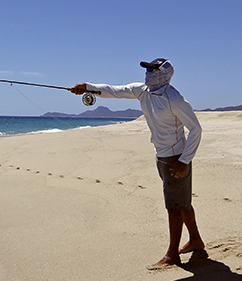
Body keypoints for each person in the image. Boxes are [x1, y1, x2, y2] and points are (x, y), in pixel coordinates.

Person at [69, 58, 205, 269]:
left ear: (164, 74)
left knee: (174, 206)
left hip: (176, 157)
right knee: (181, 201)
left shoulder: (174, 99)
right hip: (161, 154)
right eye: (147, 69)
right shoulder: (142, 91)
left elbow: (196, 129)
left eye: (152, 69)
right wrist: (87, 87)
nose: (148, 73)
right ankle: (195, 241)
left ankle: (172, 255)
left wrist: (185, 160)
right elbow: (113, 90)